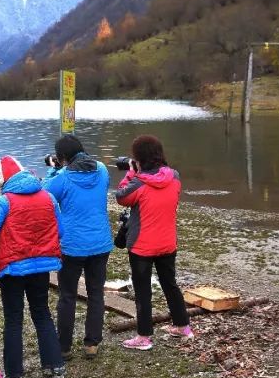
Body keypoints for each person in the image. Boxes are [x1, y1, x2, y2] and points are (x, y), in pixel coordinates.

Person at [0, 155, 66, 378]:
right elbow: (59, 231)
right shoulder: (48, 197)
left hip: (12, 267)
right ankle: (55, 365)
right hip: (41, 266)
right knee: (42, 313)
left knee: (13, 320)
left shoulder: (4, 201)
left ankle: (15, 376)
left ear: (4, 179)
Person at [115, 135, 192, 350]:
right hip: (168, 242)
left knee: (143, 291)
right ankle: (182, 325)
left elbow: (121, 196)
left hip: (142, 246)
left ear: (139, 157)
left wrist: (131, 171)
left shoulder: (138, 182)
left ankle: (144, 337)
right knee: (170, 284)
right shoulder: (175, 177)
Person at [42, 135, 113, 360]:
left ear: (62, 158)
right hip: (101, 243)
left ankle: (64, 347)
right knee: (95, 294)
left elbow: (45, 195)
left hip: (71, 245)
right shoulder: (102, 169)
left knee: (67, 295)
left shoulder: (62, 177)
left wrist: (53, 170)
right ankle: (92, 344)